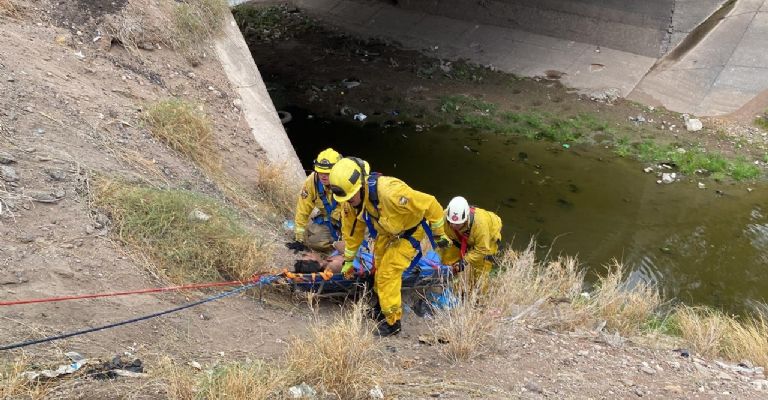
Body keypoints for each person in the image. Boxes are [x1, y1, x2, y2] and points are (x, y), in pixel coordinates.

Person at [329, 157, 449, 336]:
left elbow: (430, 204)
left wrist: (439, 233)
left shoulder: (391, 193)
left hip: (409, 232)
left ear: (361, 185)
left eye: (350, 196)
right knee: (377, 269)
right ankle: (380, 308)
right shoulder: (350, 202)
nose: (348, 201)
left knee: (388, 273)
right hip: (387, 232)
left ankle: (392, 323)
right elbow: (353, 233)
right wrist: (348, 259)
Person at [440, 196, 502, 290]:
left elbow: (482, 250)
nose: (453, 225)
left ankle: (478, 300)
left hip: (487, 240)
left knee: (479, 277)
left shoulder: (480, 224)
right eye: (450, 222)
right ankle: (448, 287)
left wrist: (464, 262)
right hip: (460, 238)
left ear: (466, 219)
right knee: (447, 262)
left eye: (457, 224)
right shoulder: (445, 217)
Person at [292, 148, 343, 252]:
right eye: (320, 172)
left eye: (328, 173)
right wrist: (299, 238)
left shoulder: (346, 182)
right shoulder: (312, 182)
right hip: (329, 222)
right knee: (313, 241)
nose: (323, 176)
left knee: (354, 248)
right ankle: (335, 246)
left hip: (349, 223)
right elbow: (303, 209)